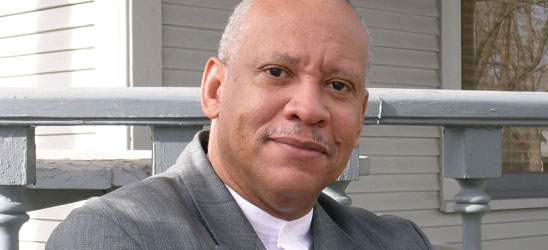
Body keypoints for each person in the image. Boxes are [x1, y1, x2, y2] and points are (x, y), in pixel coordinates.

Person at [46, 0, 433, 249]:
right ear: (215, 89)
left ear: (360, 117)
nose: (310, 108)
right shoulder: (114, 236)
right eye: (277, 72)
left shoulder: (398, 241)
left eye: (338, 85)